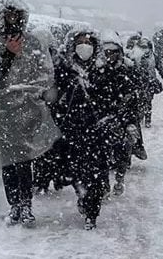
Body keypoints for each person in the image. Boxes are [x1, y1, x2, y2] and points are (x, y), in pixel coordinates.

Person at [0, 0, 59, 226]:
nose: (13, 20)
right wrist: (8, 55)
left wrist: (36, 97)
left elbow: (45, 75)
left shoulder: (34, 43)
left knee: (23, 160)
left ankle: (25, 205)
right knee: (7, 160)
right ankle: (15, 205)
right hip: (0, 112)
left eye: (18, 15)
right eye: (8, 15)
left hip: (27, 111)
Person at [51, 28, 108, 229]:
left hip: (97, 133)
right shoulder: (64, 70)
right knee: (77, 172)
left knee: (97, 175)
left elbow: (110, 99)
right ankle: (82, 196)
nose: (85, 46)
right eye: (81, 42)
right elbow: (55, 99)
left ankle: (92, 211)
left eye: (89, 42)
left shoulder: (102, 71)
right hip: (72, 132)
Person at [92, 33, 141, 196]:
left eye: (113, 52)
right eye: (106, 52)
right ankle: (104, 184)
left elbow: (133, 97)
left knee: (123, 152)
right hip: (103, 119)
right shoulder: (97, 71)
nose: (110, 55)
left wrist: (129, 120)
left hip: (123, 118)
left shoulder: (128, 70)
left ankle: (120, 179)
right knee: (102, 155)